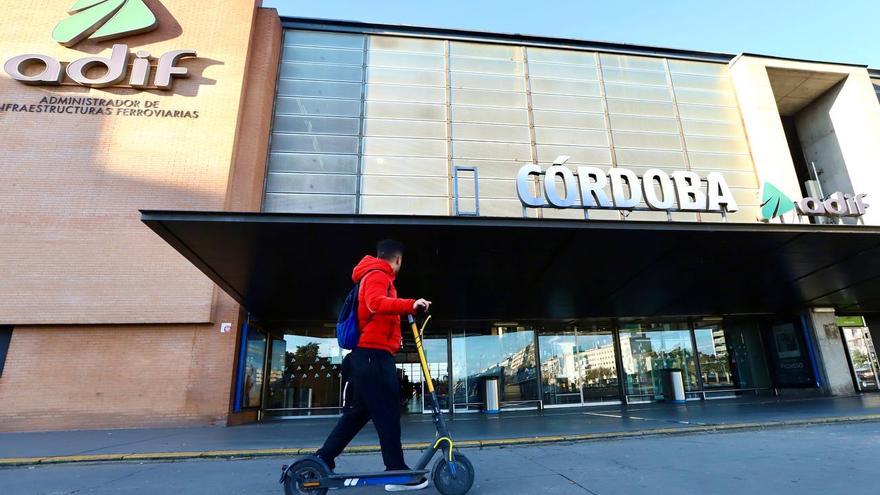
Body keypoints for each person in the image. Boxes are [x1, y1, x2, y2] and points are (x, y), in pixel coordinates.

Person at [316, 239, 432, 492]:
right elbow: (375, 304)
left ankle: (321, 460)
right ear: (398, 259)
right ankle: (396, 472)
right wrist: (410, 304)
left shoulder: (376, 275)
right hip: (373, 356)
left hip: (369, 356)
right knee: (389, 413)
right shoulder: (378, 275)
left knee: (358, 415)